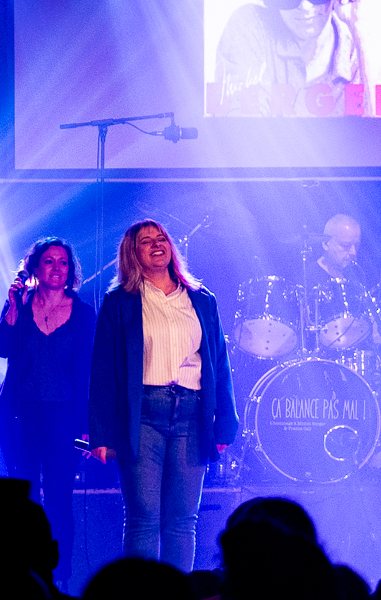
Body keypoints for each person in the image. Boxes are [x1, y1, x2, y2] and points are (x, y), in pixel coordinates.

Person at [89, 219, 240, 571]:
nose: (157, 244)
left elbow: (219, 362)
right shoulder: (120, 301)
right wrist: (101, 433)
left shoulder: (202, 299)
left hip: (191, 413)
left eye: (162, 239)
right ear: (133, 253)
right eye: (146, 241)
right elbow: (103, 371)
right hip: (142, 415)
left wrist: (224, 423)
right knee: (143, 518)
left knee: (183, 520)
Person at [0, 236, 96, 589]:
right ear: (34, 267)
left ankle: (59, 578)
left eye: (63, 262)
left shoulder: (82, 313)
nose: (57, 268)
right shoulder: (20, 305)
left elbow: (89, 371)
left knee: (60, 495)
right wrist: (13, 309)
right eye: (48, 261)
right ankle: (25, 578)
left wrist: (91, 426)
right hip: (21, 416)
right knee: (24, 498)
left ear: (71, 270)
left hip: (65, 418)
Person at [212, 0, 370, 116]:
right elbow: (239, 132)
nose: (304, 5)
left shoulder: (358, 55)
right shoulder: (249, 28)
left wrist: (362, 28)